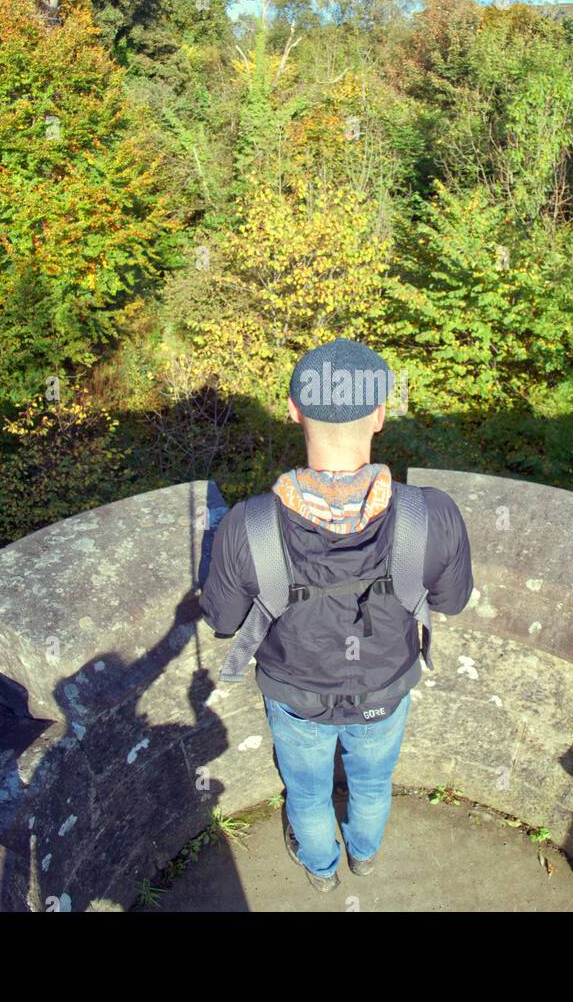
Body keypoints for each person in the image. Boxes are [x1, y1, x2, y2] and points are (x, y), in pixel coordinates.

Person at [198, 338, 474, 892]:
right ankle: (364, 857)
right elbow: (450, 602)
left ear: (294, 411)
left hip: (296, 694)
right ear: (379, 414)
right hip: (385, 688)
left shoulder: (248, 528)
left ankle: (322, 872)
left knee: (305, 791)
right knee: (373, 785)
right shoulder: (431, 514)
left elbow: (224, 622)